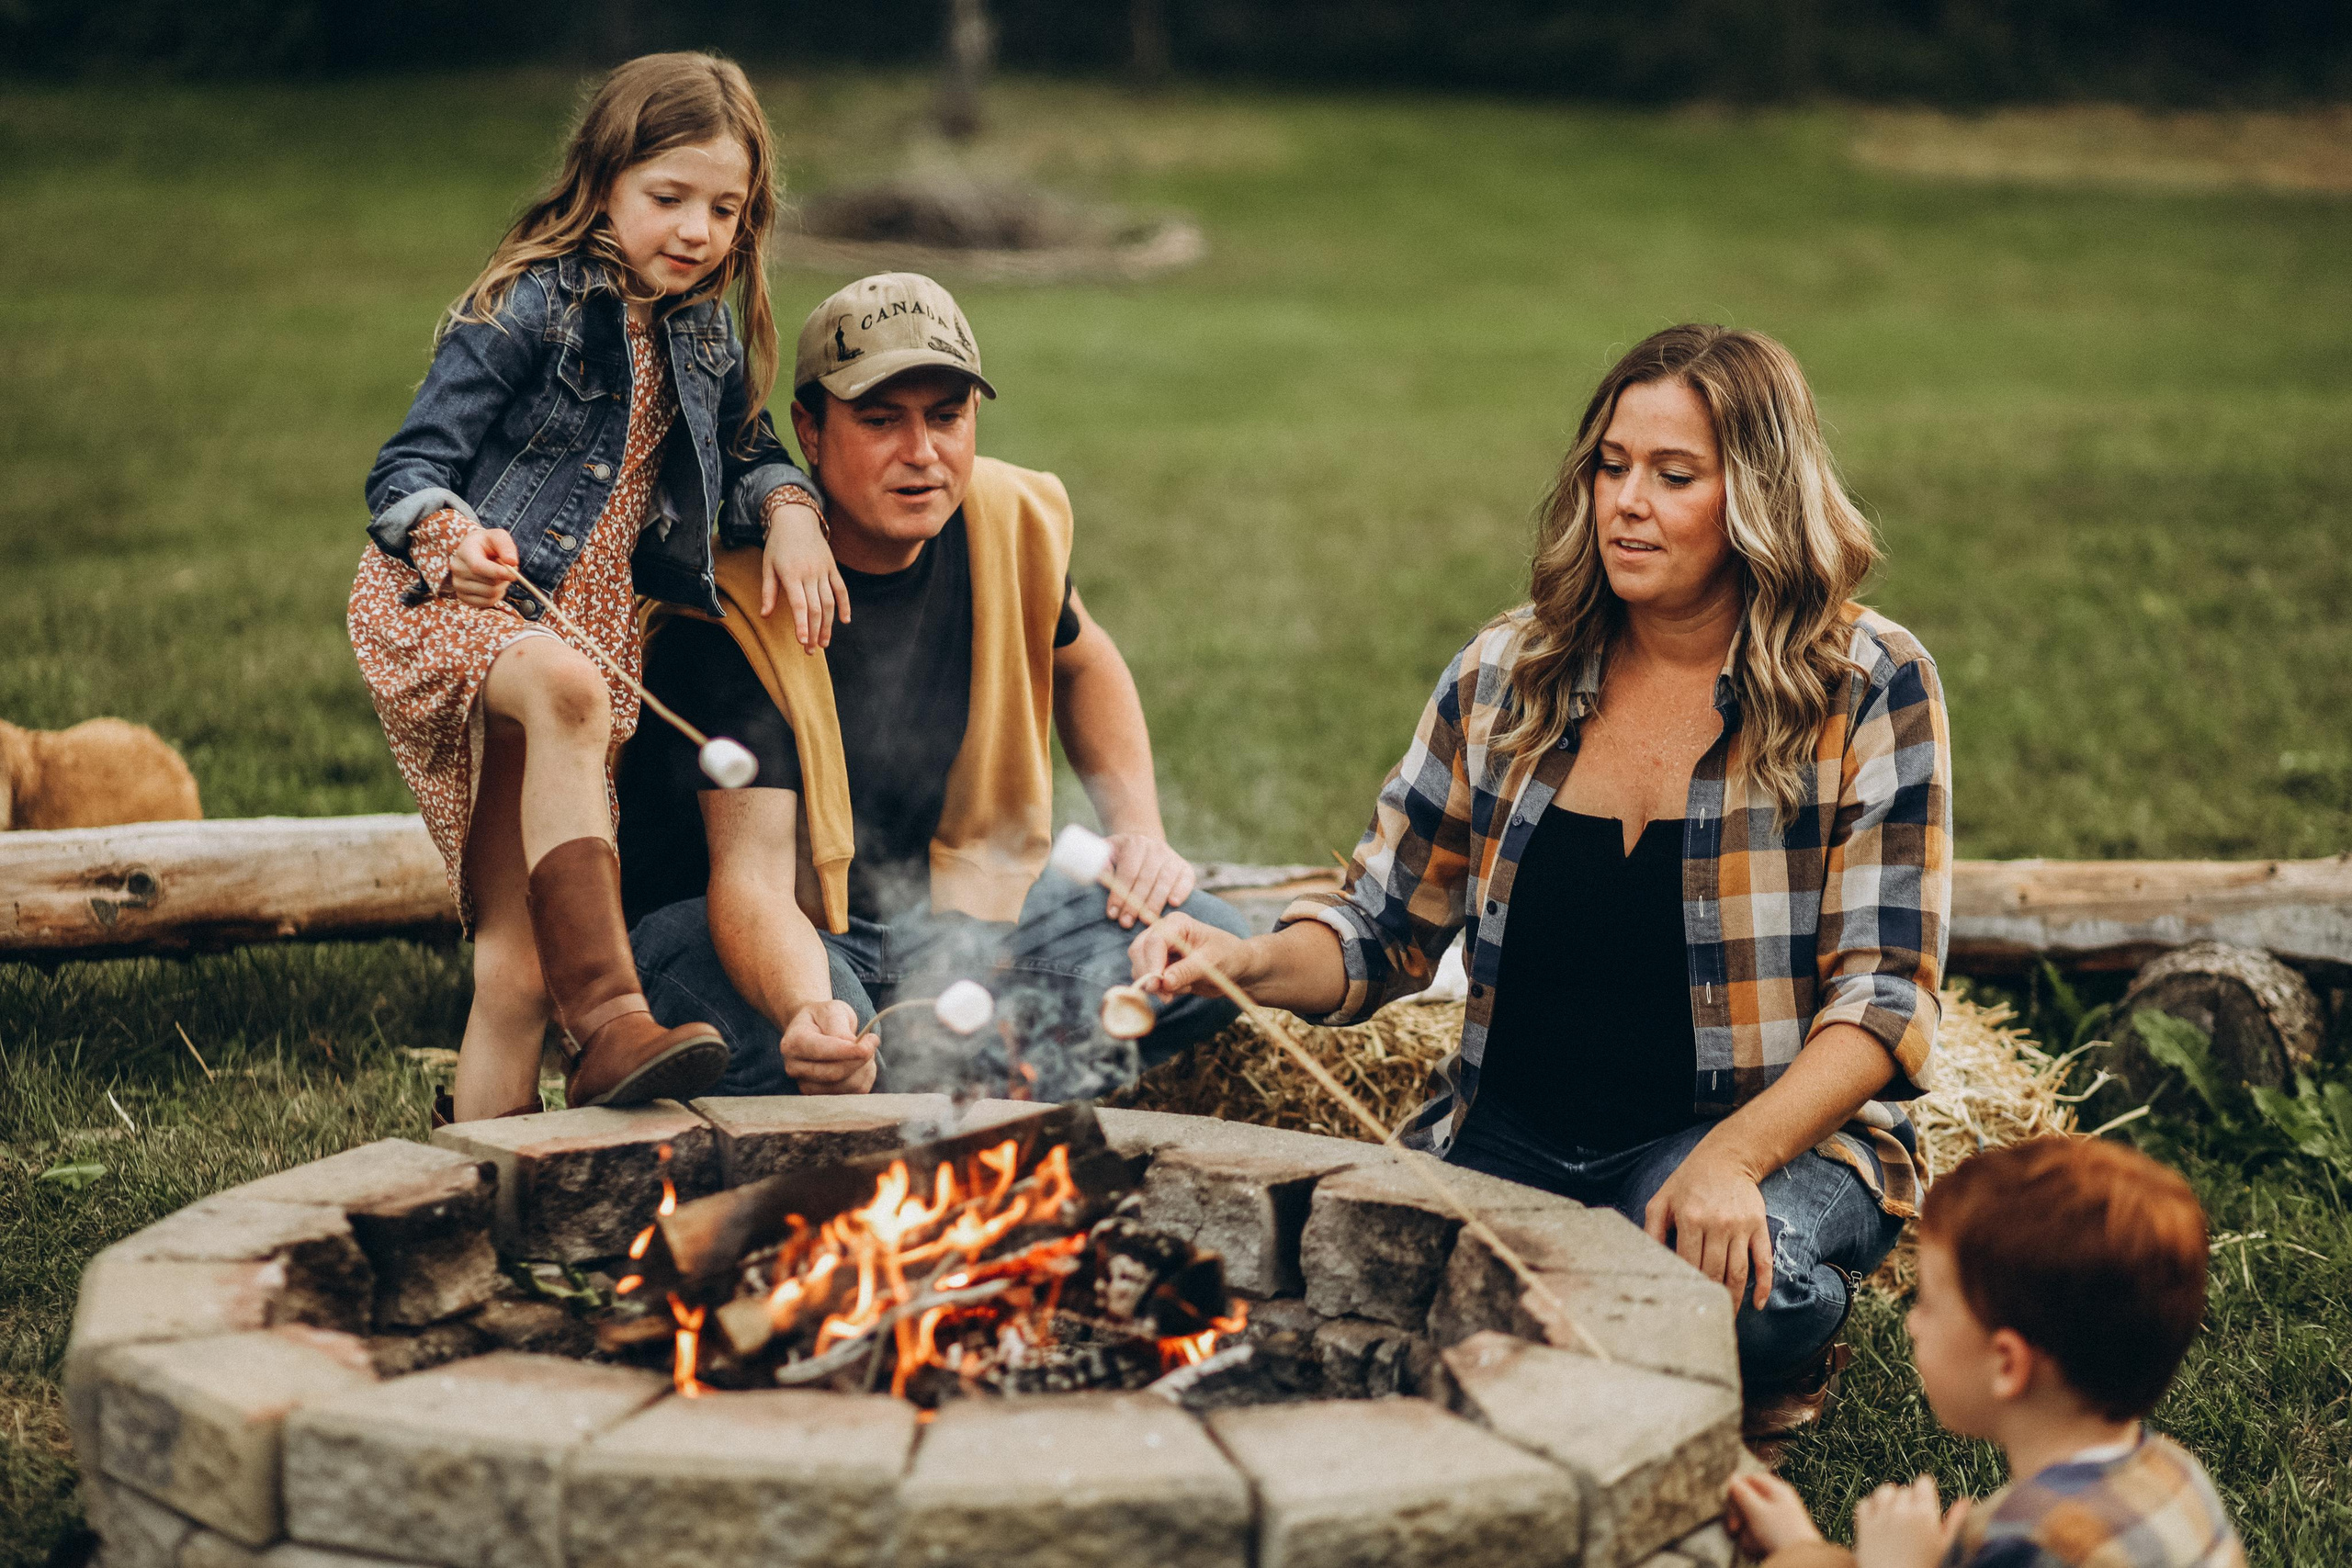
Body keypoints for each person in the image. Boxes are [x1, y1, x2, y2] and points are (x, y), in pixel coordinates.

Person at [1131, 323, 1951, 1438]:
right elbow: (1380, 926)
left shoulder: (1866, 684)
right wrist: (1248, 961)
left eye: (1673, 476)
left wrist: (1728, 1163)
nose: (1626, 502)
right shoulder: (1505, 674)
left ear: (1755, 494)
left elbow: (1885, 999)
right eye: (1611, 467)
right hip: (1512, 1134)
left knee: (1733, 1294)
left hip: (1740, 1134)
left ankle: (1786, 1346)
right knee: (1335, 1296)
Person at [348, 53, 840, 1125]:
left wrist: (792, 511)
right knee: (569, 689)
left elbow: (746, 450)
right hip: (460, 604)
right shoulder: (533, 304)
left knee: (517, 973)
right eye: (669, 199)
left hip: (582, 627)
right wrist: (453, 535)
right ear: (602, 180)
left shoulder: (701, 326)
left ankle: (487, 1203)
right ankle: (614, 1019)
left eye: (725, 208)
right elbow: (405, 469)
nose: (698, 232)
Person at [617, 273, 1250, 1100]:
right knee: (822, 1049)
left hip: (943, 927)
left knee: (1210, 949)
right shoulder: (741, 604)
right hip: (754, 936)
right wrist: (814, 1011)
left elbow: (1086, 660)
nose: (922, 453)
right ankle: (927, 1074)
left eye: (946, 417)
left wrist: (1140, 836)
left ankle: (923, 1073)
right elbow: (751, 886)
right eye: (881, 421)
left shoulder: (1007, 521)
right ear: (810, 429)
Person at [1725, 1137, 2245, 1568]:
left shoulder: (2028, 1546)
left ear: (2006, 1365)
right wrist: (1803, 1547)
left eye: (1928, 1303)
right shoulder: (2178, 1479)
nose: (1911, 1322)